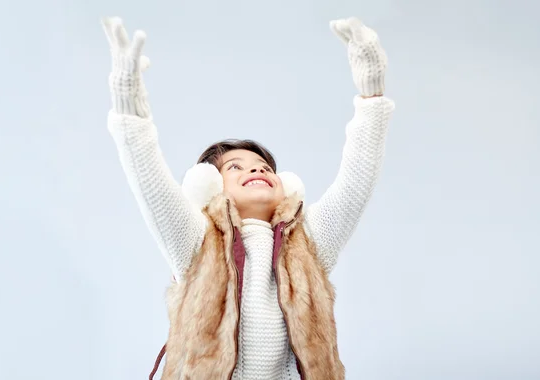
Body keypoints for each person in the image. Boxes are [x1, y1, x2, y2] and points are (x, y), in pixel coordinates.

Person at [102, 15, 395, 380]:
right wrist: (130, 114)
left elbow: (357, 180)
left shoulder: (309, 240)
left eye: (263, 166)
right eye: (236, 168)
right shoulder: (196, 240)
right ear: (209, 185)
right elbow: (150, 184)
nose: (256, 171)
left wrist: (372, 98)